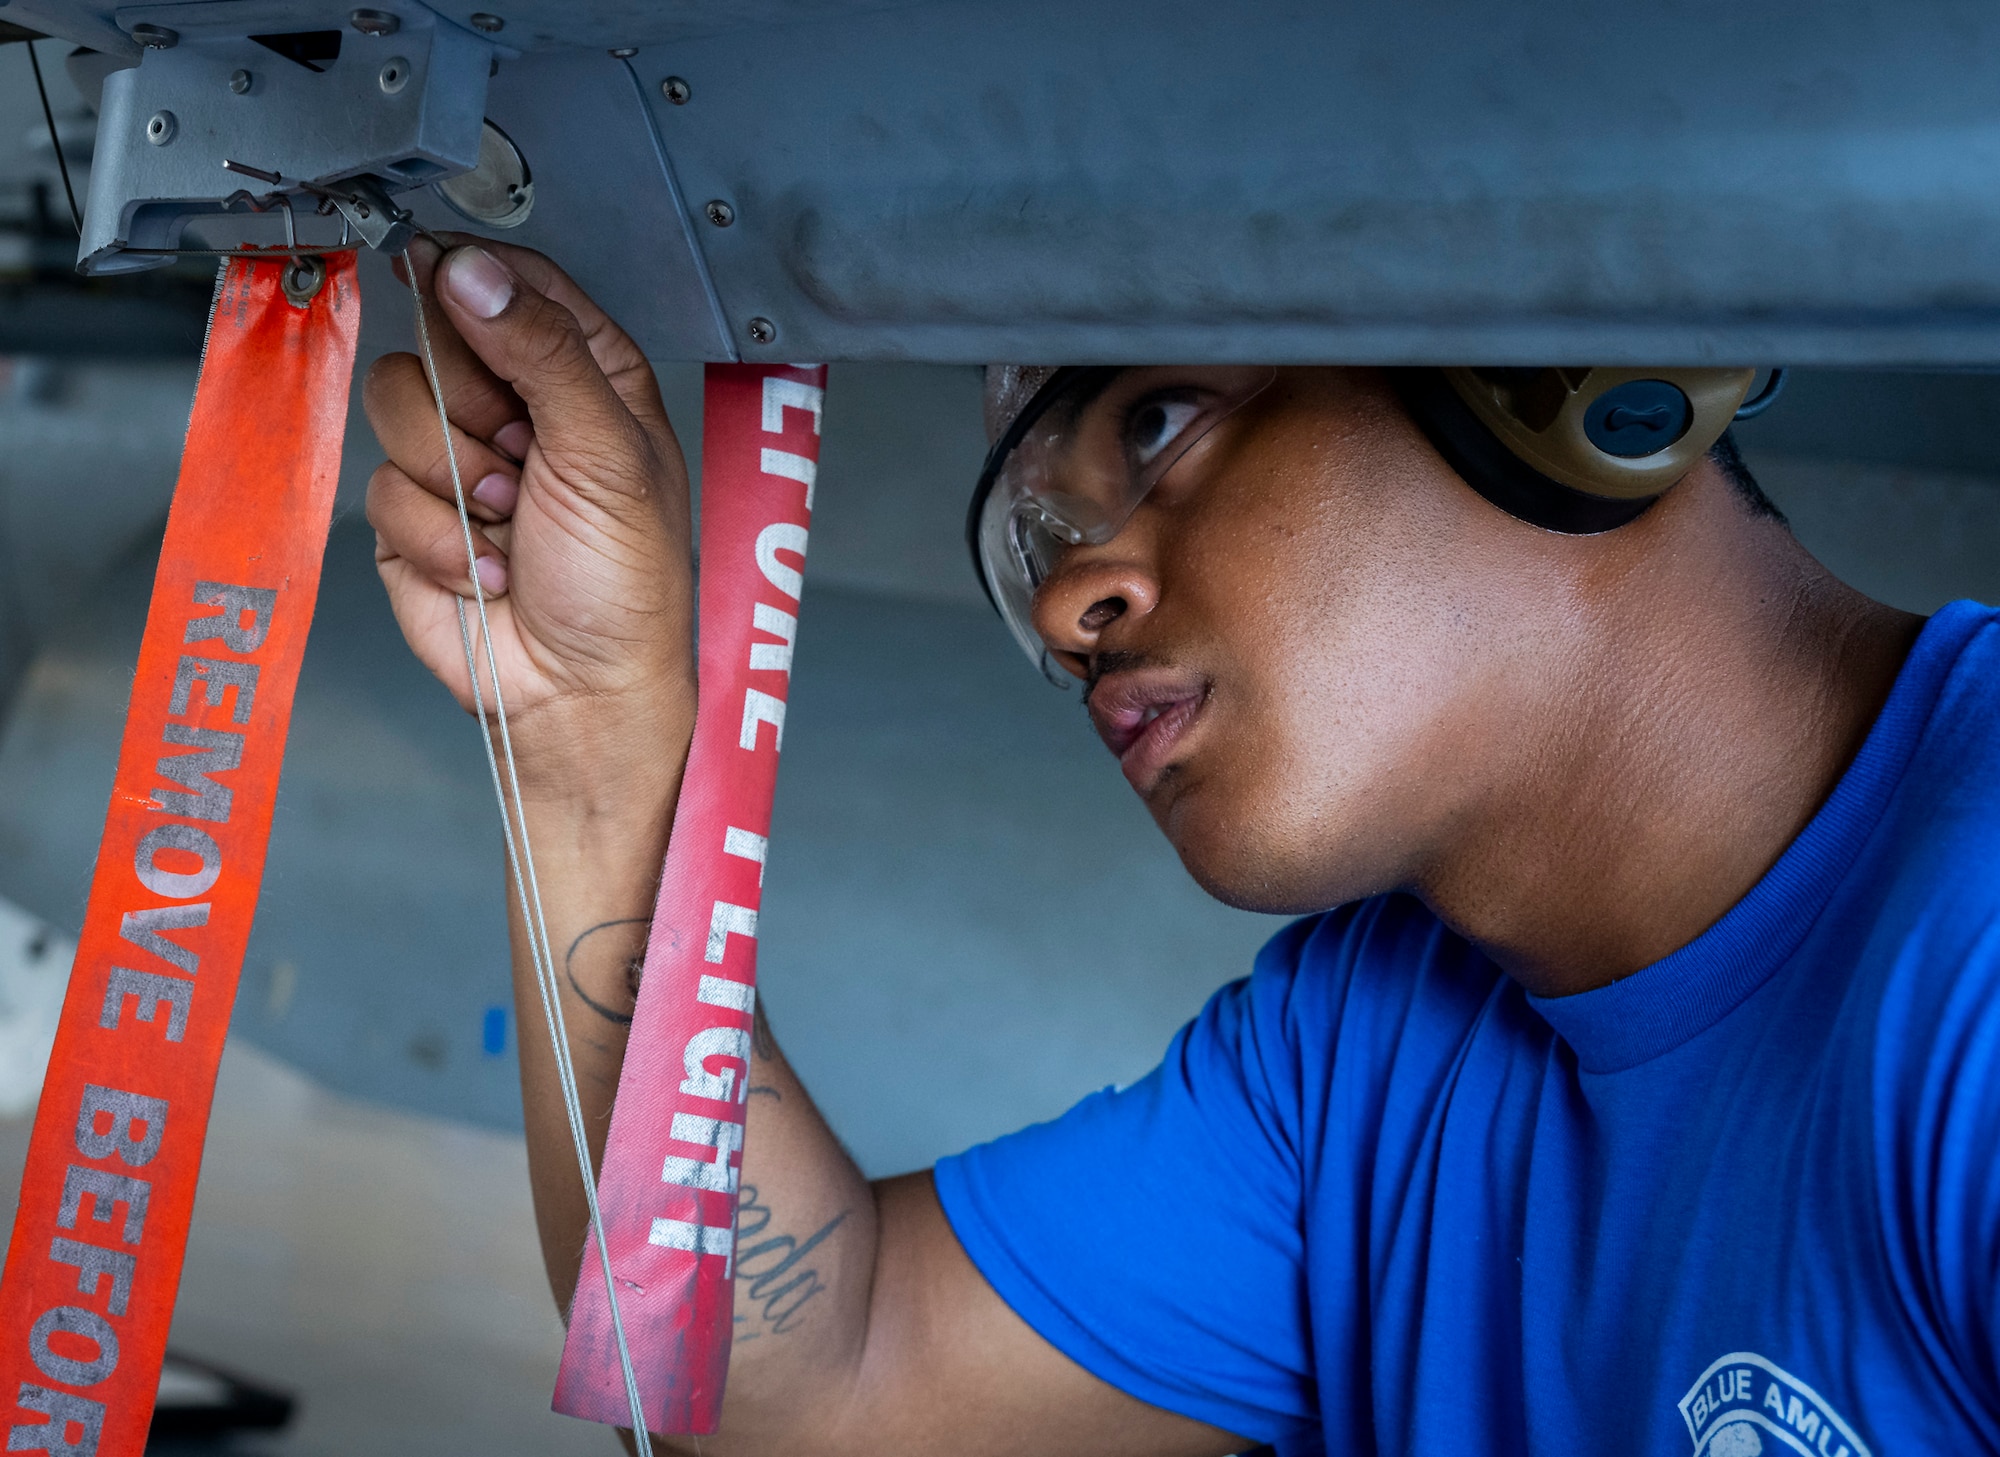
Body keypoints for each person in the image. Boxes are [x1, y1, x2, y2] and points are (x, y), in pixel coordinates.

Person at [364, 235, 2000, 1457]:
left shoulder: (1974, 950)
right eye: (1043, 554)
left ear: (1548, 372)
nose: (1075, 604)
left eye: (1157, 423)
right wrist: (595, 741)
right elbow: (788, 1383)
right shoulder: (1356, 1047)